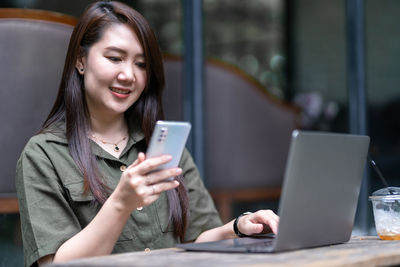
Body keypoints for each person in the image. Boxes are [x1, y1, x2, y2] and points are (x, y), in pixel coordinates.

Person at [15, 1, 279, 266]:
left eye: (141, 64)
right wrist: (121, 203)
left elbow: (198, 241)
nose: (128, 75)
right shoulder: (43, 155)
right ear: (81, 61)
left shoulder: (164, 146)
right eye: (115, 58)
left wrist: (238, 226)